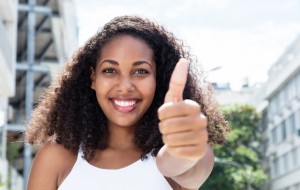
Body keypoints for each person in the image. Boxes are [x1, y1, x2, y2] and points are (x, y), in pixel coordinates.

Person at [25, 15, 229, 190]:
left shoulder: (187, 153)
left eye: (141, 71)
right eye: (110, 70)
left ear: (159, 79)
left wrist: (180, 150)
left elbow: (183, 168)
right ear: (93, 78)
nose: (124, 86)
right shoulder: (56, 158)